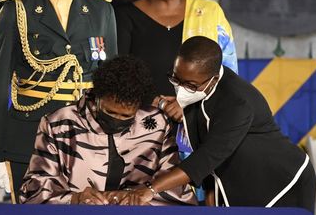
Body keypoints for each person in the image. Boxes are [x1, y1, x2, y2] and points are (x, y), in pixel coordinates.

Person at [124, 36, 316, 212]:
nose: (181, 88)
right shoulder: (199, 88)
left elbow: (206, 158)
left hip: (283, 181)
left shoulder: (237, 103)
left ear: (213, 79)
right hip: (240, 182)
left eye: (190, 84)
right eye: (176, 78)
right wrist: (211, 196)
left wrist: (150, 188)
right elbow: (205, 150)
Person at [0, 0, 117, 202]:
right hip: (30, 138)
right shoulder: (16, 8)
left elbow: (112, 82)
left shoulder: (101, 8)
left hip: (87, 138)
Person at [19, 56, 197, 206]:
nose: (117, 120)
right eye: (110, 112)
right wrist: (75, 198)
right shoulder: (59, 123)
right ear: (97, 98)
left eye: (126, 116)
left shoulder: (156, 124)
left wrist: (138, 197)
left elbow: (176, 189)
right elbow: (34, 190)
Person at [114, 0, 237, 115]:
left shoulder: (210, 12)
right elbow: (117, 76)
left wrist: (187, 102)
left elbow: (228, 75)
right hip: (140, 124)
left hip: (201, 120)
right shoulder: (121, 15)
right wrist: (160, 103)